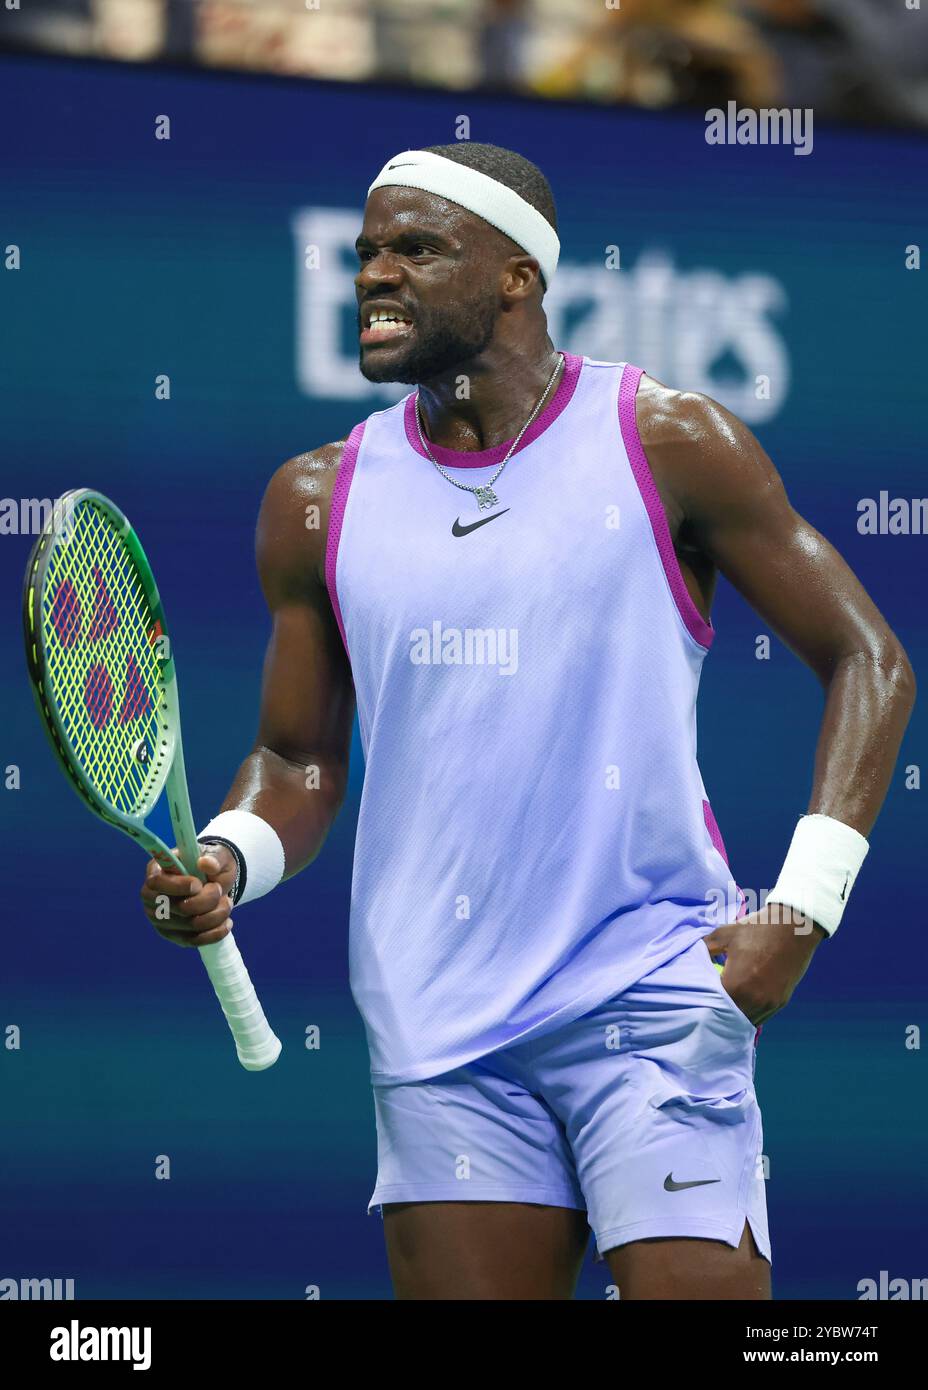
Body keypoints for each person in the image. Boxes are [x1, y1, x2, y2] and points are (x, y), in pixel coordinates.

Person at [140, 142, 915, 1300]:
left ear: (516, 277)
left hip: (653, 993)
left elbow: (871, 660)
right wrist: (228, 855)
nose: (373, 276)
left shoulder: (667, 440)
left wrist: (797, 915)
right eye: (362, 255)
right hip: (437, 1026)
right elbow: (298, 758)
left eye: (415, 248)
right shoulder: (313, 499)